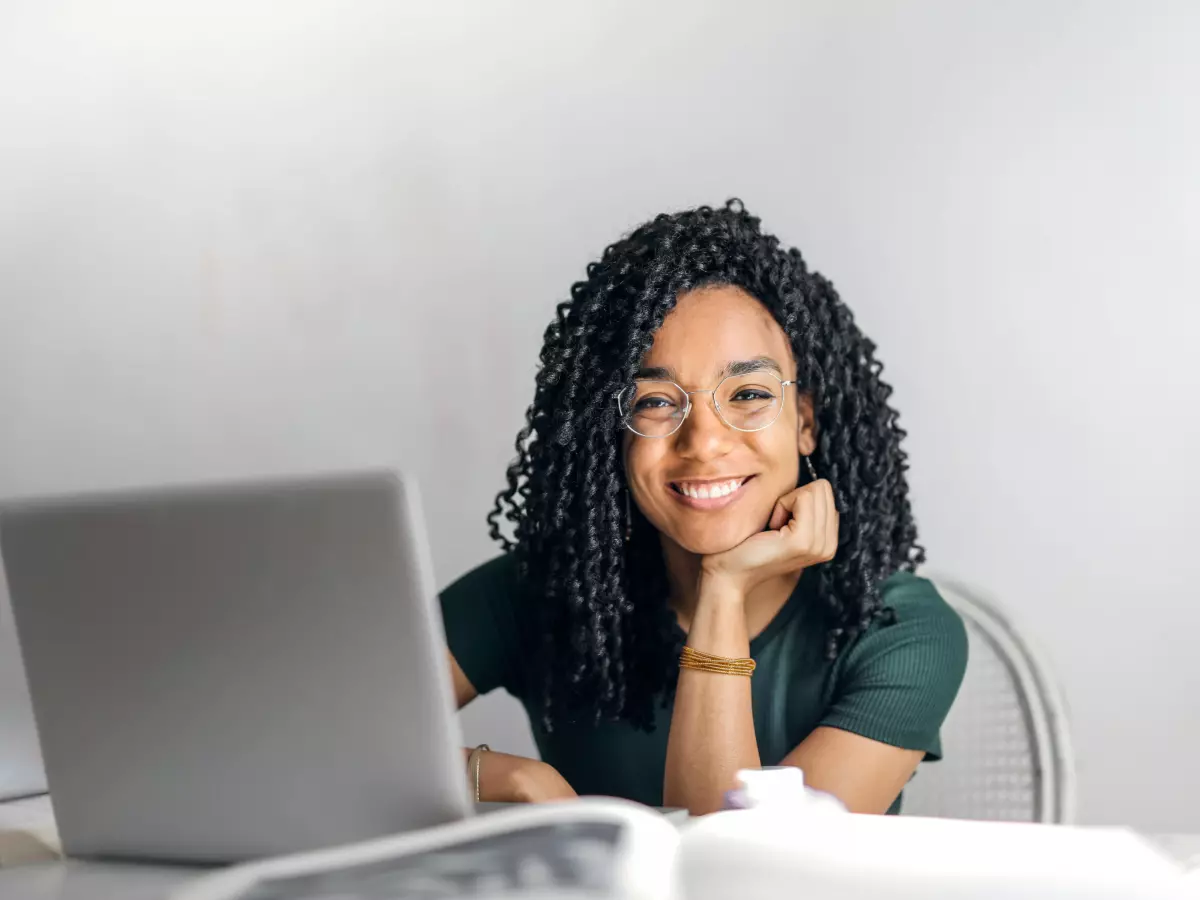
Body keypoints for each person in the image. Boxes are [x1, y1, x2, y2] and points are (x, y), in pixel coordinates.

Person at [441, 200, 967, 816]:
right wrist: (509, 778)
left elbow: (741, 875)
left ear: (805, 422)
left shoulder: (899, 631)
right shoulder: (539, 592)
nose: (705, 441)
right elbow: (318, 742)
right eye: (656, 402)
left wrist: (724, 587)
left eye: (747, 394)